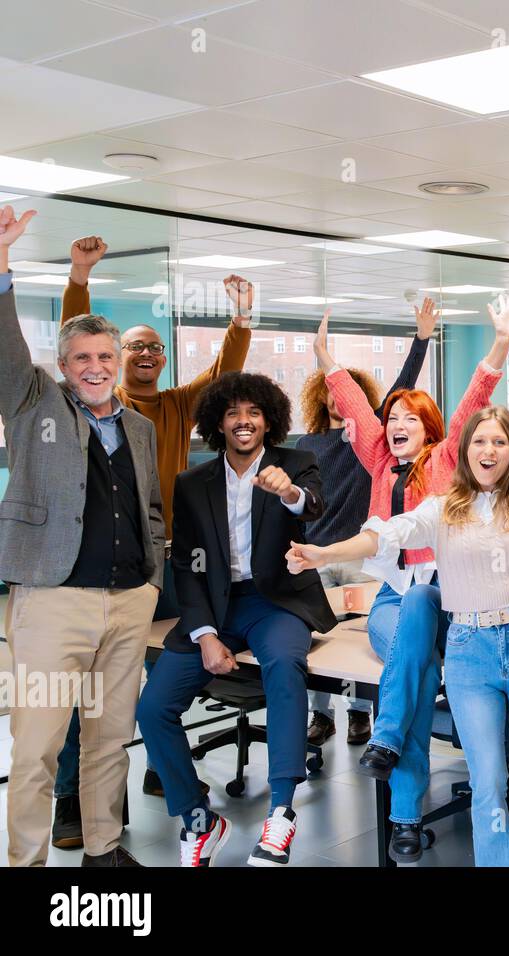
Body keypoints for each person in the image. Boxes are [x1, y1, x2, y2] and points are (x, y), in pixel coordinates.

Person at [287, 334, 509, 867]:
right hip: (471, 652)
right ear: (464, 452)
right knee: (489, 787)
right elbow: (382, 534)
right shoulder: (440, 507)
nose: (489, 451)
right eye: (479, 442)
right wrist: (322, 552)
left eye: (499, 442)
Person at [50, 236, 254, 848]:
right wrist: (79, 276)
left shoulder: (168, 409)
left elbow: (225, 373)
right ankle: (71, 800)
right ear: (111, 356)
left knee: (167, 668)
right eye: (136, 345)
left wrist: (241, 318)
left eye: (155, 347)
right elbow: (73, 339)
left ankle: (163, 767)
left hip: (158, 565)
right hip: (90, 570)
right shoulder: (73, 405)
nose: (147, 353)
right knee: (85, 689)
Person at [311, 298, 509, 862]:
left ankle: (390, 746)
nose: (396, 426)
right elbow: (353, 406)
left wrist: (498, 345)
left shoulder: (449, 457)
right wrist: (326, 358)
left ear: (430, 430)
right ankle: (400, 797)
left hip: (453, 598)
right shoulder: (378, 460)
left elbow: (476, 398)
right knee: (418, 669)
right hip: (392, 598)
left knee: (421, 618)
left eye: (409, 420)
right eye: (391, 419)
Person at [0, 205, 164, 867]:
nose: (95, 366)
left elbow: (152, 508)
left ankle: (104, 848)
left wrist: (153, 575)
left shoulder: (142, 429)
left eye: (105, 355)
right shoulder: (33, 399)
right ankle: (26, 862)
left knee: (107, 739)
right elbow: (5, 349)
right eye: (81, 357)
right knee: (37, 745)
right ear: (63, 365)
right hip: (51, 602)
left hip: (127, 605)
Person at [136, 371, 337, 867]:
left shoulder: (297, 463)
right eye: (232, 413)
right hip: (215, 608)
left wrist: (288, 491)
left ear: (269, 421)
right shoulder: (193, 481)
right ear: (218, 423)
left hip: (277, 603)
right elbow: (186, 562)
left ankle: (282, 813)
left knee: (285, 670)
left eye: (253, 413)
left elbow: (311, 506)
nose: (243, 421)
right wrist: (204, 634)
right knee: (153, 708)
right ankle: (200, 820)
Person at [297, 296, 441, 748]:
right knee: (322, 643)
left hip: (365, 555)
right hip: (321, 553)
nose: (337, 397)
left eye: (343, 390)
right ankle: (322, 717)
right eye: (329, 390)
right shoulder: (307, 442)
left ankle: (363, 716)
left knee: (366, 650)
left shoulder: (373, 443)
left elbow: (400, 388)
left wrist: (420, 340)